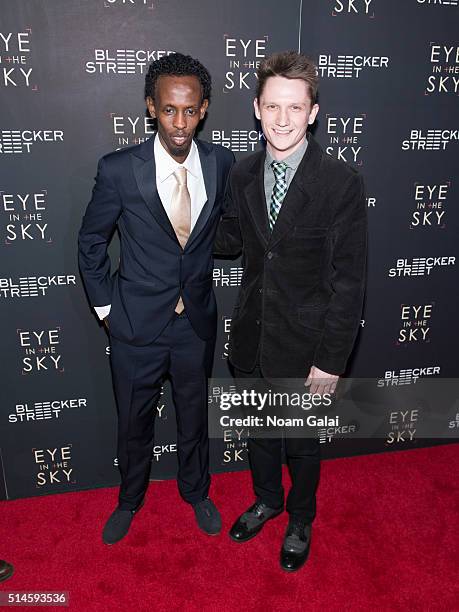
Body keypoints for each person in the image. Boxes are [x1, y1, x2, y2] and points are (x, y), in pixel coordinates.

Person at [214, 51, 367, 571]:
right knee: (259, 434)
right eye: (273, 107)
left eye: (295, 108)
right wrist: (181, 215)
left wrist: (331, 360)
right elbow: (232, 239)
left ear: (313, 113)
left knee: (301, 443)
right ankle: (267, 501)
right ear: (256, 108)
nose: (283, 120)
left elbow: (349, 282)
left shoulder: (340, 182)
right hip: (253, 335)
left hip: (306, 347)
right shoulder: (242, 172)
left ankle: (300, 517)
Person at [79, 53, 234, 544]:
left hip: (195, 325)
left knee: (194, 417)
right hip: (135, 327)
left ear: (204, 109)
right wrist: (107, 311)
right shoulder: (119, 170)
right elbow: (90, 243)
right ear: (151, 107)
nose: (180, 122)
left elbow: (224, 233)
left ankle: (197, 492)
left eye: (190, 110)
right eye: (169, 110)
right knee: (134, 422)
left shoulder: (221, 162)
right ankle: (129, 499)